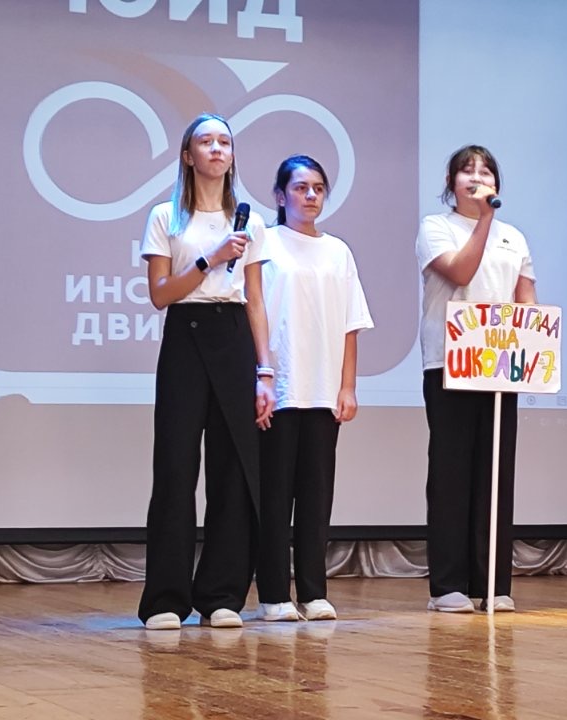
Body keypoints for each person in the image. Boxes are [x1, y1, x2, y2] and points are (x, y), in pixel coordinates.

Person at [135, 113, 275, 630]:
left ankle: (220, 594)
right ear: (188, 156)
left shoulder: (250, 221)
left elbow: (255, 299)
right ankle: (166, 599)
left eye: (224, 142)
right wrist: (208, 260)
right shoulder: (165, 217)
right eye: (206, 141)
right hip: (185, 334)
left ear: (232, 157)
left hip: (233, 334)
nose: (216, 149)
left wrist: (265, 371)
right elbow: (159, 295)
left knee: (233, 468)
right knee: (175, 467)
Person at [246, 155, 373, 622]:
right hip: (279, 388)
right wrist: (260, 374)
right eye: (301, 188)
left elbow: (351, 325)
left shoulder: (339, 252)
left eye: (318, 187)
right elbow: (253, 309)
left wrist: (347, 386)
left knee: (316, 497)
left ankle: (314, 591)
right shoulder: (265, 243)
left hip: (322, 389)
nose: (311, 195)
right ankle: (274, 595)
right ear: (280, 196)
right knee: (275, 496)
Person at [415, 145, 537, 613]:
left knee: (495, 472)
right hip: (449, 362)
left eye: (485, 171)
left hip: (499, 365)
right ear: (451, 183)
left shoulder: (515, 237)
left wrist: (530, 344)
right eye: (467, 171)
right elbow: (461, 271)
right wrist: (485, 219)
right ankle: (447, 585)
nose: (477, 177)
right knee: (451, 473)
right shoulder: (436, 227)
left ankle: (491, 583)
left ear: (497, 184)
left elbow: (526, 300)